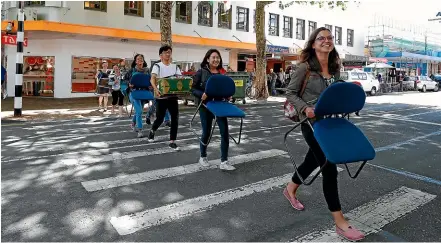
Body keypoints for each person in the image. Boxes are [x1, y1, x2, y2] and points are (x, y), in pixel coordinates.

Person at [284, 27, 365, 241]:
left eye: (330, 38)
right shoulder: (304, 68)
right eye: (322, 38)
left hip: (331, 122)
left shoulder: (335, 68)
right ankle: (340, 222)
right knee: (329, 166)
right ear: (313, 43)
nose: (326, 41)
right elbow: (290, 93)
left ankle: (290, 188)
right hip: (310, 123)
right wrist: (305, 108)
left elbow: (335, 94)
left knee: (312, 160)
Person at [191, 49, 235, 171]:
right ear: (208, 59)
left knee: (224, 132)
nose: (216, 60)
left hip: (220, 105)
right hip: (206, 106)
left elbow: (225, 89)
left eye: (218, 58)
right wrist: (201, 94)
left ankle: (224, 161)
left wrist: (228, 95)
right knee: (206, 132)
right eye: (213, 57)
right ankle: (203, 156)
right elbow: (193, 89)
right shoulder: (201, 72)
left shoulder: (222, 73)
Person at [148, 45, 181, 150]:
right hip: (161, 96)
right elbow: (152, 79)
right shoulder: (157, 66)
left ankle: (172, 141)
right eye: (166, 52)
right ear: (160, 55)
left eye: (169, 52)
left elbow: (180, 79)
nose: (168, 54)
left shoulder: (175, 67)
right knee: (160, 118)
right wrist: (155, 89)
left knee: (175, 118)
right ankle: (153, 130)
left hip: (172, 96)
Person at [127, 54, 150, 138]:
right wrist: (129, 84)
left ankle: (133, 123)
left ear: (143, 61)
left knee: (138, 111)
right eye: (138, 59)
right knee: (139, 111)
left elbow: (151, 80)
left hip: (144, 93)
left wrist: (150, 85)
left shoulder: (147, 70)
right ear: (135, 61)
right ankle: (140, 130)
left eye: (141, 59)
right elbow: (124, 80)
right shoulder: (131, 70)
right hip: (134, 93)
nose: (140, 61)